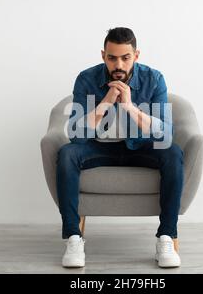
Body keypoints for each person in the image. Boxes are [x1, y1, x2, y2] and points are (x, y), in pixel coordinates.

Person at [56, 27, 183, 268]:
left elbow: (165, 134)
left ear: (136, 56)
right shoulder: (86, 79)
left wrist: (130, 107)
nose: (119, 65)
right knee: (66, 154)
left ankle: (166, 236)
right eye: (112, 57)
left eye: (125, 58)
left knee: (173, 152)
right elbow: (76, 135)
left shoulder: (154, 79)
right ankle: (74, 237)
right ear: (103, 55)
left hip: (141, 147)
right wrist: (105, 102)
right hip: (99, 148)